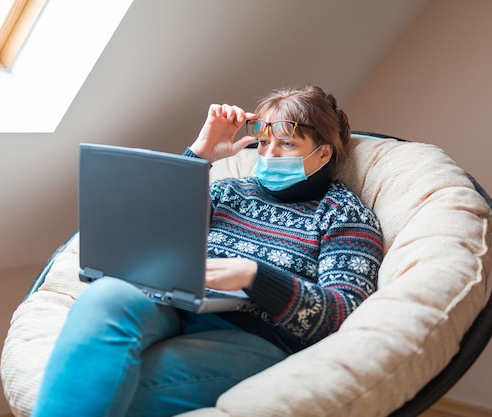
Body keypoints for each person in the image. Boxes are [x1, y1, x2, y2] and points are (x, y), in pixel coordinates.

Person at [31, 85, 383, 417]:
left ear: (323, 152)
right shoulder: (230, 191)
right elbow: (155, 233)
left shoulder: (344, 216)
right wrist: (200, 153)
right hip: (175, 304)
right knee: (105, 296)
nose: (269, 155)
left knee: (105, 389)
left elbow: (345, 314)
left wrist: (255, 277)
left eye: (286, 144)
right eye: (262, 143)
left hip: (255, 338)